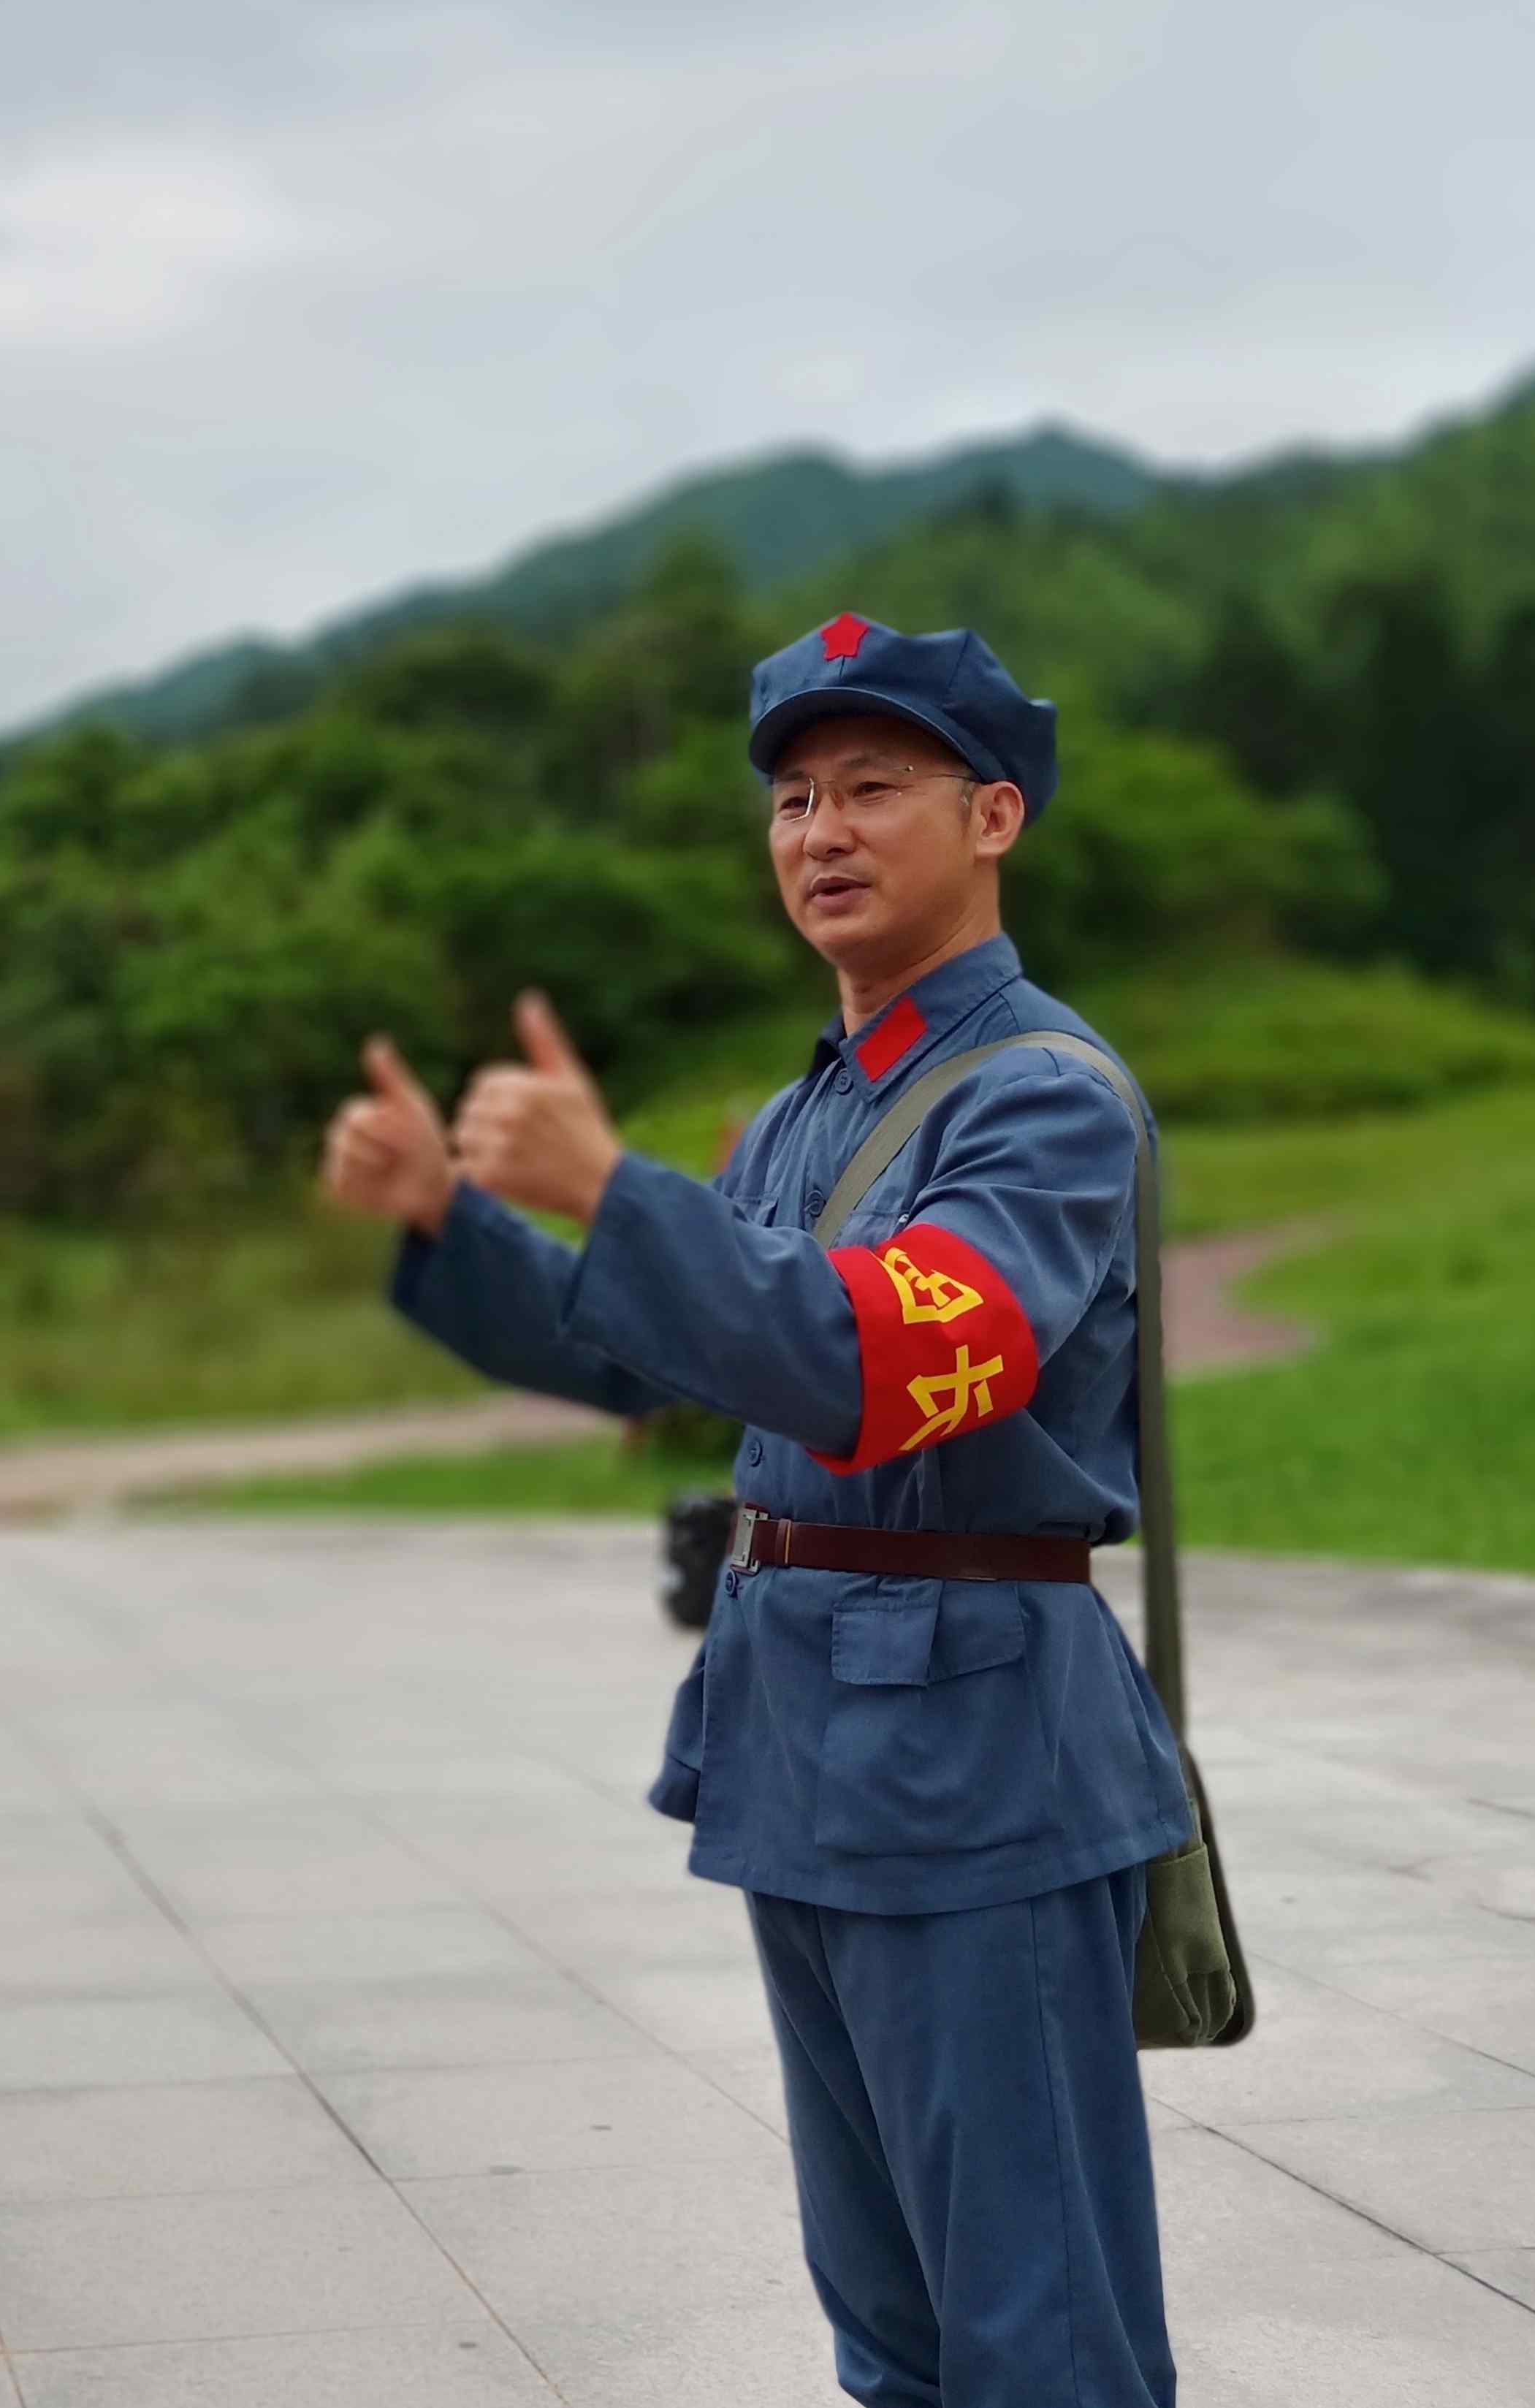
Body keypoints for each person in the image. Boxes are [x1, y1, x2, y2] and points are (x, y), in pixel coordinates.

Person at [324, 613, 1193, 2407]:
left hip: (978, 1760)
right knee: (885, 2323)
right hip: (807, 1742)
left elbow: (890, 1364)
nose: (822, 832)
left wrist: (616, 1188)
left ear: (998, 817)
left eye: (877, 787)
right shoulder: (802, 1119)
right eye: (794, 797)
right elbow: (645, 1357)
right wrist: (452, 1221)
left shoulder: (1042, 1102)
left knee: (1037, 2329)